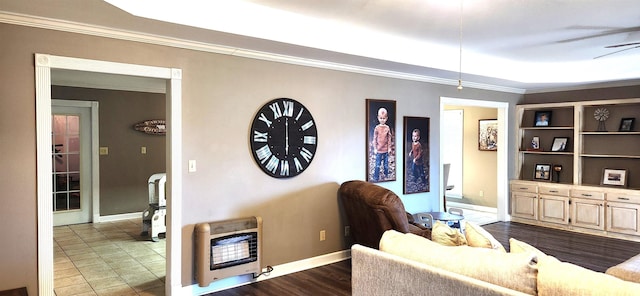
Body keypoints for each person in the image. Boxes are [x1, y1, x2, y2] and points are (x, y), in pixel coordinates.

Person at [372, 107, 392, 181]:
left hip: (386, 150)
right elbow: (374, 139)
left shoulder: (387, 128)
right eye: (380, 118)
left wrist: (389, 147)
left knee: (386, 165)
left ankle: (386, 175)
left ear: (386, 118)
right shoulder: (377, 128)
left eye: (384, 118)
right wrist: (375, 148)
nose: (382, 120)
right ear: (378, 118)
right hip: (379, 150)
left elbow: (389, 138)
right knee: (377, 165)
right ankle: (376, 177)